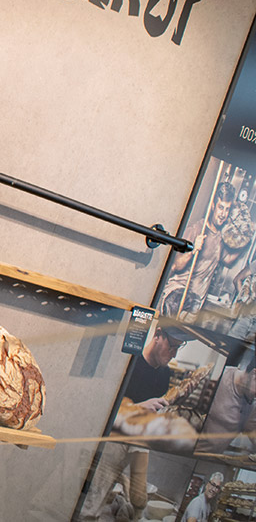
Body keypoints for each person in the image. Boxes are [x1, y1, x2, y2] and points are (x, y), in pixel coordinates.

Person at [80, 323, 192, 521]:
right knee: (92, 501)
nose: (174, 354)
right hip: (113, 441)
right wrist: (138, 407)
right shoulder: (130, 363)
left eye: (178, 347)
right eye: (172, 346)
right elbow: (99, 407)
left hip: (137, 442)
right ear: (158, 334)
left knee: (130, 501)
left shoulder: (165, 375)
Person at [159, 182, 237, 321]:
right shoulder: (197, 230)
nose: (223, 214)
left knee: (176, 340)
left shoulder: (221, 237)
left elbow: (228, 260)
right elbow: (176, 265)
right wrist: (193, 249)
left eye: (227, 209)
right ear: (213, 206)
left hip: (196, 305)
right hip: (177, 297)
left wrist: (247, 240)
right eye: (220, 208)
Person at [196, 362, 256, 454]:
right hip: (184, 451)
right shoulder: (221, 374)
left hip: (209, 460)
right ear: (254, 374)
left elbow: (253, 431)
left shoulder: (251, 405)